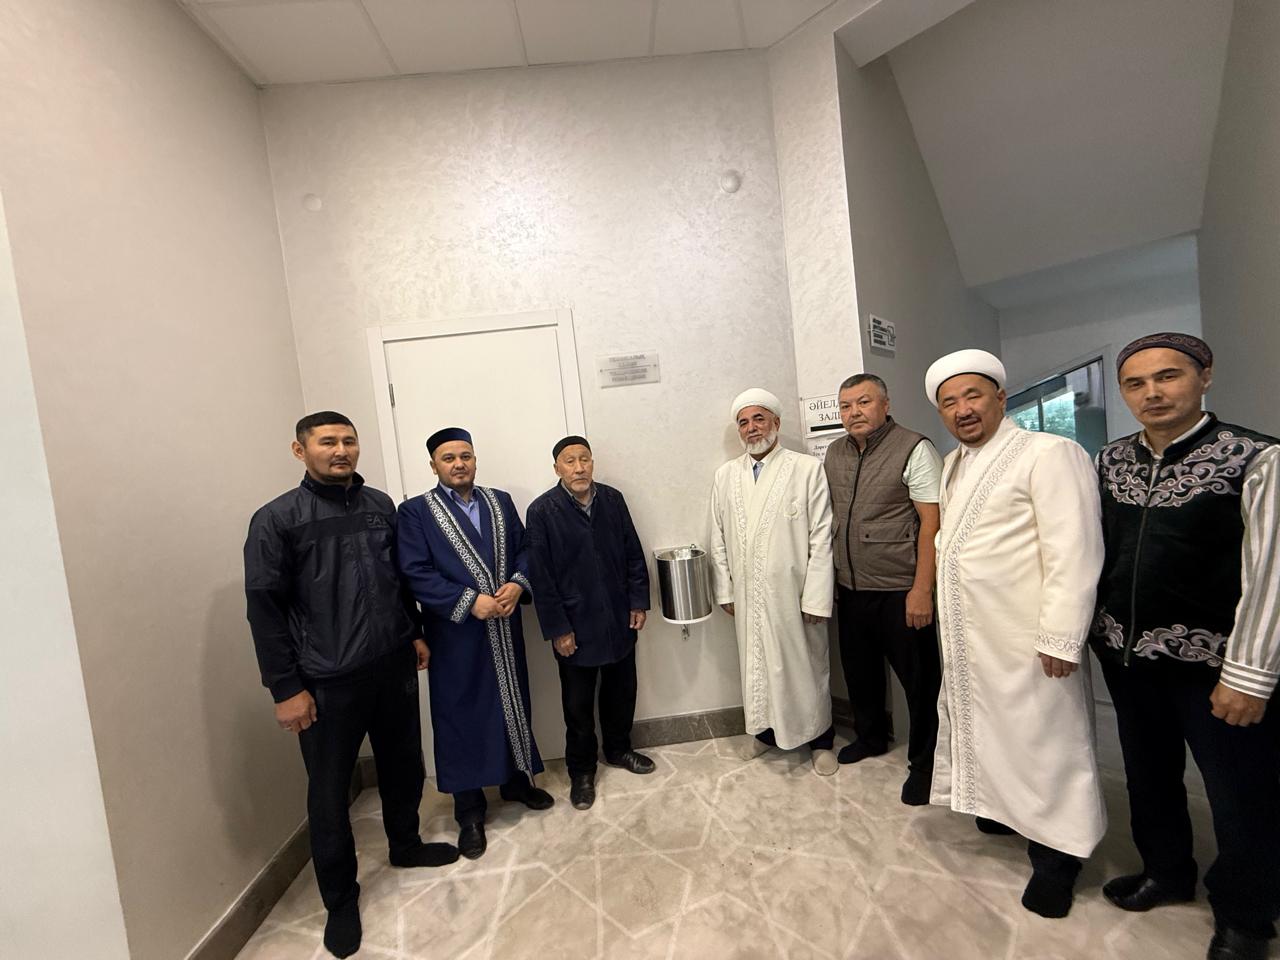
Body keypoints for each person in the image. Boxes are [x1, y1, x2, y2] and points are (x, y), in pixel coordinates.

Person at [1090, 332, 1280, 960]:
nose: (1152, 393)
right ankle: (1166, 872)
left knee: (1240, 794)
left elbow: (1272, 574)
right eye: (1136, 383)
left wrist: (1248, 675)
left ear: (1204, 376)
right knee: (1148, 777)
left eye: (1168, 376)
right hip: (1128, 658)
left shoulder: (1254, 458)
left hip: (1216, 667)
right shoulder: (1110, 461)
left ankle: (1247, 918)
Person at [244, 412, 457, 960]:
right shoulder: (276, 520)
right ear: (300, 450)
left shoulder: (380, 506)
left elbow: (397, 580)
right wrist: (285, 688)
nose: (341, 450)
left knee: (403, 766)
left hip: (391, 665)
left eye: (348, 441)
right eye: (327, 442)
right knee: (329, 792)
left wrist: (412, 632)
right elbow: (264, 611)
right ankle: (340, 900)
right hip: (325, 680)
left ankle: (405, 846)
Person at [924, 350, 1106, 919]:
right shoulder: (953, 464)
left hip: (1027, 637)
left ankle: (1059, 856)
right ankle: (1004, 811)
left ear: (1001, 398)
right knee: (991, 730)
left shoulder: (1050, 453)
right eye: (949, 402)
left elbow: (1074, 549)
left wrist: (1061, 636)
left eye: (973, 395)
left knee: (1046, 741)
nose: (963, 410)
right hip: (974, 634)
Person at [396, 427, 551, 861]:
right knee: (460, 713)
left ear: (475, 459)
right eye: (448, 458)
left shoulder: (499, 501)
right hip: (455, 634)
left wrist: (518, 584)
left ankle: (516, 781)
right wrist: (468, 602)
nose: (459, 464)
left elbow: (526, 549)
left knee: (512, 702)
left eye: (465, 455)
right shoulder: (415, 512)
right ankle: (469, 810)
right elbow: (415, 571)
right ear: (434, 466)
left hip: (504, 628)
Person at [823, 373, 943, 805]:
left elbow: (932, 523)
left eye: (864, 402)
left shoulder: (914, 448)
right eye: (845, 406)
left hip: (900, 589)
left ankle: (926, 766)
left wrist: (922, 590)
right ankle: (870, 737)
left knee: (920, 683)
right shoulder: (835, 453)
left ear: (885, 405)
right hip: (851, 586)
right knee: (860, 673)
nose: (853, 412)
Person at [708, 388, 838, 776]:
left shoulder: (806, 469)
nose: (751, 428)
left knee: (805, 667)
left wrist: (816, 598)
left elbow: (822, 535)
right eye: (743, 422)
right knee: (757, 665)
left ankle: (820, 739)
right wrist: (726, 589)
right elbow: (717, 537)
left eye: (759, 419)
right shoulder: (726, 476)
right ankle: (765, 733)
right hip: (748, 596)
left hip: (795, 596)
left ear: (776, 423)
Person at [526, 435, 654, 810]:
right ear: (557, 468)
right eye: (570, 461)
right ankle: (581, 772)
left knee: (621, 691)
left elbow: (633, 553)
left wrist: (638, 601)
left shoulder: (612, 500)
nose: (579, 467)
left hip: (617, 615)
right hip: (574, 624)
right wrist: (558, 629)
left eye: (584, 459)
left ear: (593, 463)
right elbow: (541, 576)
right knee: (578, 706)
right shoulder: (542, 511)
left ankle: (618, 749)